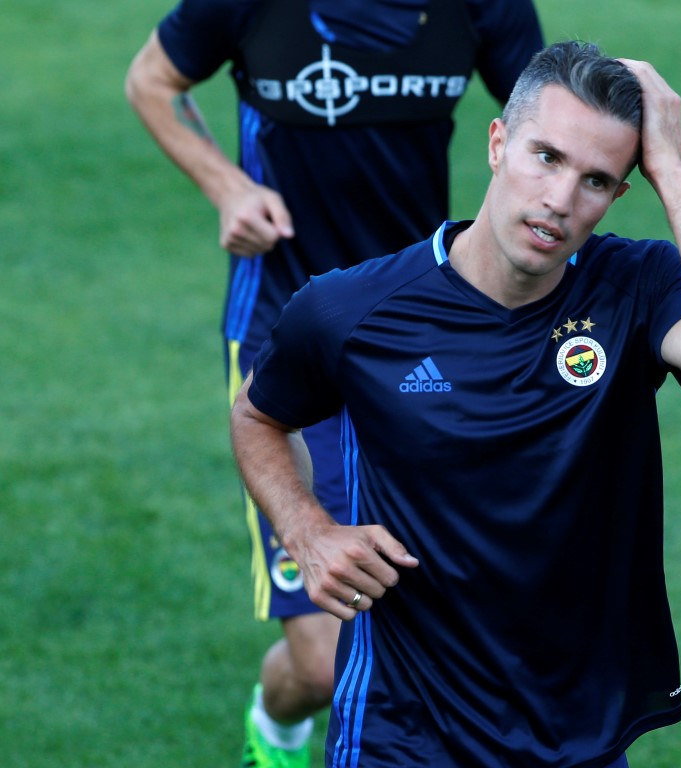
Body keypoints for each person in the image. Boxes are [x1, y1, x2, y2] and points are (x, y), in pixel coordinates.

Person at [230, 40, 681, 767]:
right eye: (546, 157)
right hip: (402, 734)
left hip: (576, 735)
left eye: (596, 180)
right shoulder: (352, 311)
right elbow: (259, 415)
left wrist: (676, 175)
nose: (560, 200)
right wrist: (307, 531)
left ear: (621, 194)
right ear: (498, 143)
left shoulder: (634, 287)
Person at [124, 1, 543, 765]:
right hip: (288, 334)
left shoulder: (484, 6)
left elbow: (552, 123)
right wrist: (227, 187)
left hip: (426, 334)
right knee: (323, 662)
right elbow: (151, 79)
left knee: (444, 614)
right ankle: (275, 730)